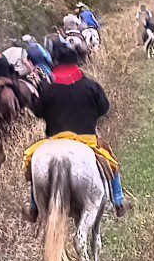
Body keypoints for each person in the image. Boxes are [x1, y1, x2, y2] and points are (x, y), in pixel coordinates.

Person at [30, 38, 126, 218]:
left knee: (32, 162)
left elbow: (37, 112)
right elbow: (105, 108)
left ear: (56, 63)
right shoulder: (90, 86)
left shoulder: (49, 89)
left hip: (55, 140)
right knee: (111, 162)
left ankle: (34, 206)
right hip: (86, 138)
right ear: (77, 63)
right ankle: (119, 201)